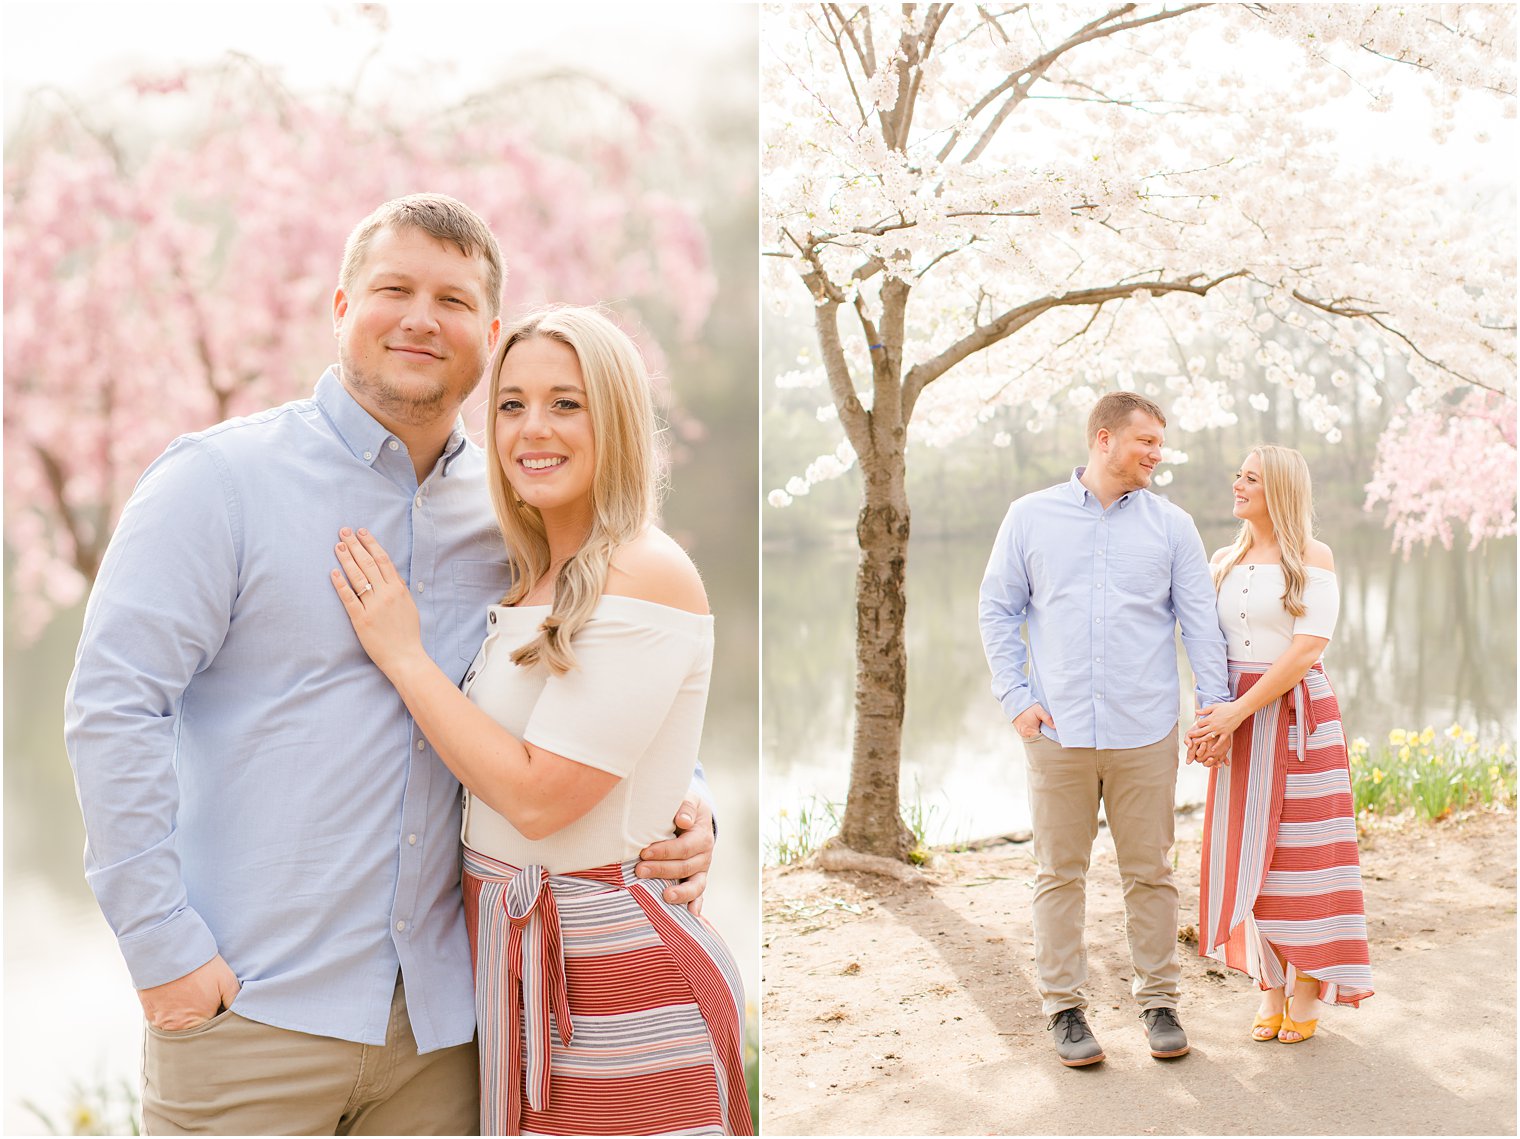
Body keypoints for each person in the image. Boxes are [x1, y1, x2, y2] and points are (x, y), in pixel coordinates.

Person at [63, 194, 714, 1136]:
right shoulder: (218, 482)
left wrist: (687, 800)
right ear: (339, 307)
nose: (419, 317)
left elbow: (596, 675)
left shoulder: (512, 513)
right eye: (393, 288)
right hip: (254, 1016)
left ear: (486, 336)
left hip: (450, 1036)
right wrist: (162, 950)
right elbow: (113, 709)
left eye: (451, 299)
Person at [330, 305, 751, 1136]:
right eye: (512, 403)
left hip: (614, 973)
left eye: (567, 402)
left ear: (618, 419)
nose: (533, 428)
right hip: (518, 964)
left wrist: (404, 654)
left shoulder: (643, 568)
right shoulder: (532, 575)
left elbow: (538, 797)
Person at [978, 391, 1231, 1067]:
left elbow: (1200, 624)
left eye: (1160, 442)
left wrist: (1215, 710)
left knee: (1150, 872)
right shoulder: (1030, 517)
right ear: (1102, 438)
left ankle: (1160, 1001)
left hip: (1144, 729)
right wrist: (1016, 696)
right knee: (1058, 872)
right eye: (1145, 440)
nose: (1156, 453)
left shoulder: (1173, 527)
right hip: (1057, 730)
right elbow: (997, 610)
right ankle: (1064, 1009)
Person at [1187, 444, 1374, 1043]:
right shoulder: (1222, 560)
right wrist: (1210, 720)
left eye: (1251, 479)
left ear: (1282, 492)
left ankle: (1308, 987)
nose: (1237, 485)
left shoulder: (1312, 557)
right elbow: (1206, 650)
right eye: (1237, 474)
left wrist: (1237, 714)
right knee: (1246, 855)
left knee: (1302, 858)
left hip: (1296, 721)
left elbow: (1307, 648)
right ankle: (1267, 987)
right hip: (1234, 720)